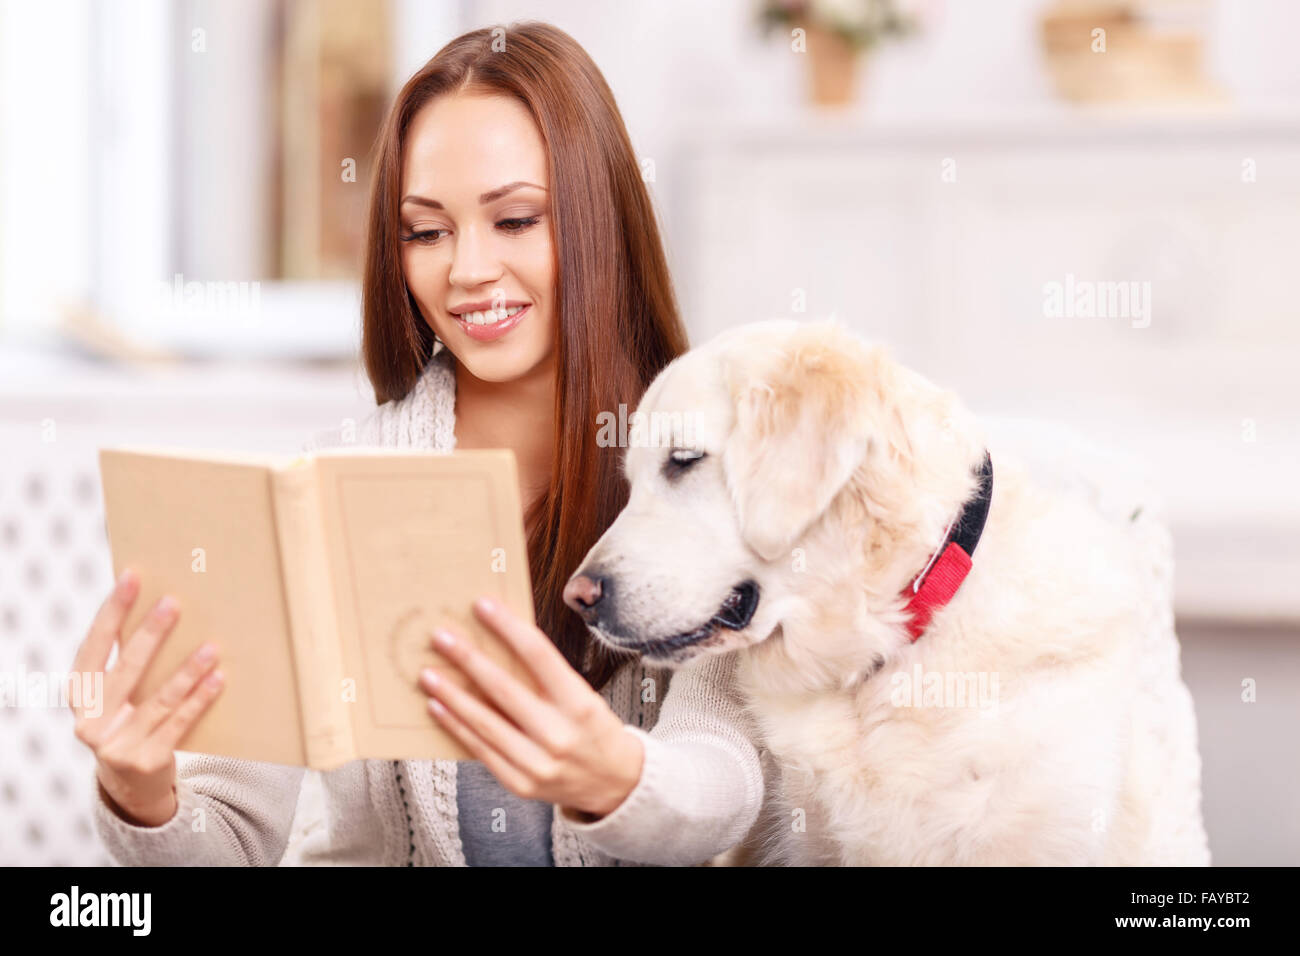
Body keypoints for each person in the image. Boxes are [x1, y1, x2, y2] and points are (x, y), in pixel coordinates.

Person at [73, 21, 764, 866]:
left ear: (601, 220)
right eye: (426, 231)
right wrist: (142, 794)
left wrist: (614, 775)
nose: (467, 269)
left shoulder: (711, 473)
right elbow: (230, 841)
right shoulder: (335, 488)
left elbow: (727, 783)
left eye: (515, 219)